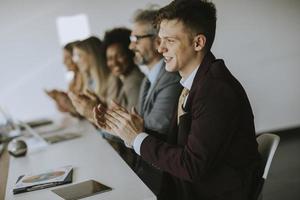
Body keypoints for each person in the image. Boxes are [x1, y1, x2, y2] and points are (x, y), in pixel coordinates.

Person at [94, 0, 261, 200]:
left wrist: (137, 138)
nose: (160, 49)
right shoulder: (197, 82)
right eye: (160, 40)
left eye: (170, 41)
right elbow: (180, 148)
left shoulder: (216, 90)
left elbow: (191, 166)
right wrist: (129, 131)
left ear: (198, 43)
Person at [129, 7, 182, 195]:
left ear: (157, 39)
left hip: (164, 179)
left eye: (136, 39)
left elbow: (157, 128)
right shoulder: (148, 78)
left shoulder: (171, 77)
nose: (131, 46)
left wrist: (122, 126)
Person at [46, 41, 83, 117]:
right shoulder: (73, 81)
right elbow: (71, 110)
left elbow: (81, 112)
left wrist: (63, 99)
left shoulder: (86, 79)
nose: (63, 62)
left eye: (67, 58)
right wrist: (58, 99)